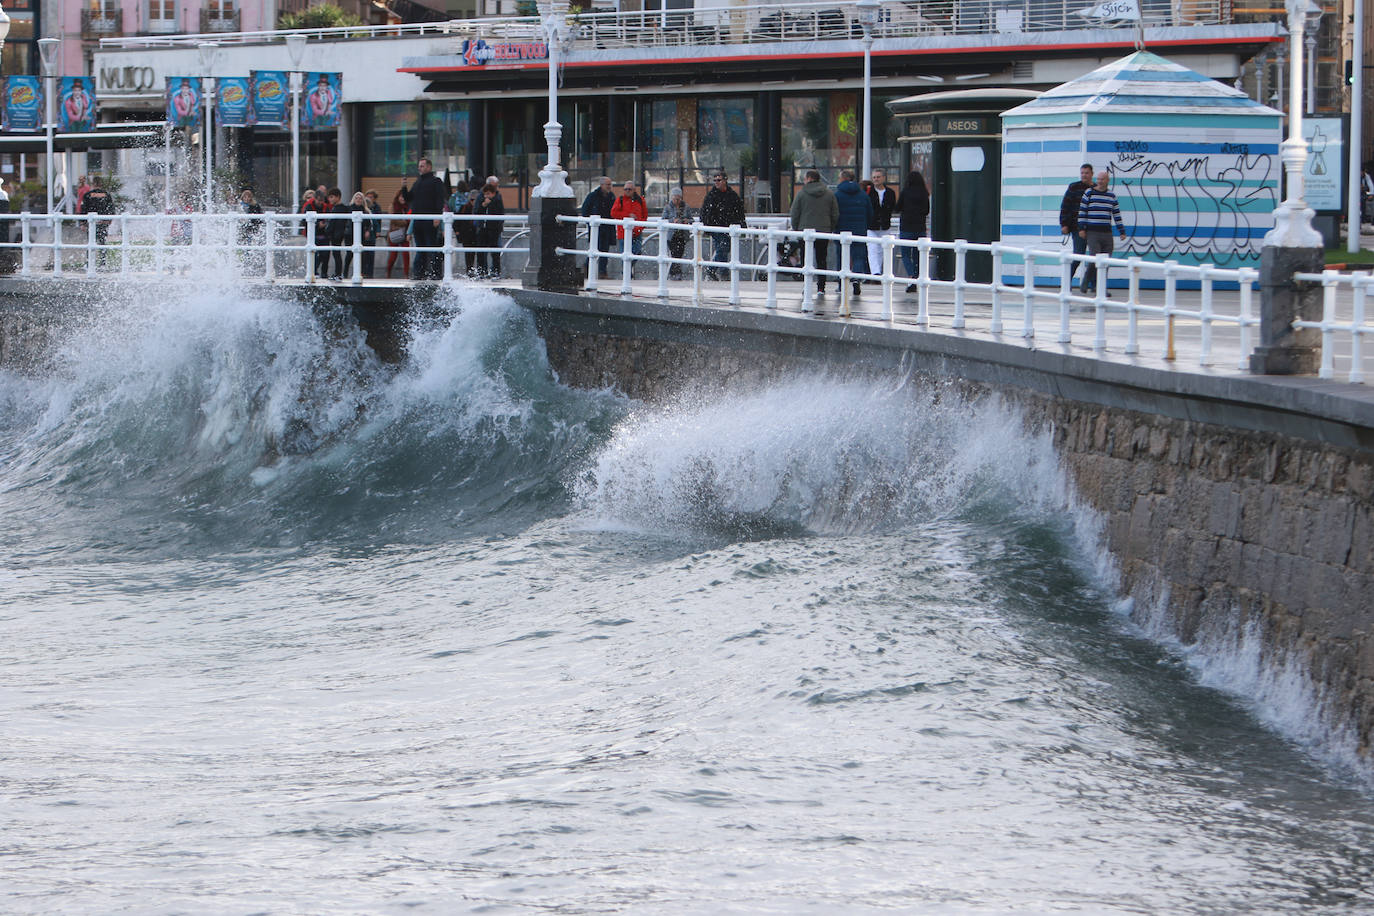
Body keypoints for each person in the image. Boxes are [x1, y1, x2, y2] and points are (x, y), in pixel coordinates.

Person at [788, 169, 839, 294]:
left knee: (806, 261)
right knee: (822, 259)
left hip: (805, 232)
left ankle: (807, 286)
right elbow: (835, 214)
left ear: (809, 179)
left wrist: (797, 228)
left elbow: (794, 214)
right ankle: (821, 287)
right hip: (823, 231)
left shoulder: (801, 194)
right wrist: (829, 228)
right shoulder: (829, 194)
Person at [1077, 169, 1127, 297]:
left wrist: (1121, 231)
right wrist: (1081, 228)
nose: (1099, 181)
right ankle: (1086, 281)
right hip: (1092, 232)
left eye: (1102, 179)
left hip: (1106, 232)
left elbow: (1116, 214)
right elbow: (1082, 211)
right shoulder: (1089, 193)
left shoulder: (1111, 196)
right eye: (1098, 179)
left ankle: (1101, 288)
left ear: (1107, 181)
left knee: (1106, 261)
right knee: (1094, 258)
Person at [403, 156, 447, 280]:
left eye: (422, 166)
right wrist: (404, 187)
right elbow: (408, 198)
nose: (419, 168)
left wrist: (437, 216)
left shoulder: (436, 181)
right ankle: (419, 273)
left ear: (429, 167)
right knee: (420, 248)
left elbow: (439, 199)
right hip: (418, 220)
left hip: (429, 219)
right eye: (419, 166)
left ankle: (436, 273)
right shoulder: (418, 182)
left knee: (432, 247)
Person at [834, 169, 872, 296]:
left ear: (843, 179)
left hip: (841, 230)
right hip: (859, 230)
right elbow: (870, 214)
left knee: (841, 257)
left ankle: (841, 284)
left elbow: (834, 213)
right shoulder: (863, 195)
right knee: (858, 257)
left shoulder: (837, 195)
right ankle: (856, 278)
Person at [700, 171, 744, 280]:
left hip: (727, 227)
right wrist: (706, 225)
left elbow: (739, 211)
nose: (716, 182)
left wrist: (742, 224)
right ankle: (715, 270)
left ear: (725, 180)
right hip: (716, 227)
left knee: (722, 249)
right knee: (724, 246)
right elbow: (705, 211)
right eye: (715, 180)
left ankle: (722, 273)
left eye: (718, 180)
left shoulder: (732, 195)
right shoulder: (711, 196)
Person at [1059, 163, 1094, 291]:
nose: (1084, 175)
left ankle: (1093, 285)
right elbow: (1065, 206)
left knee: (1095, 258)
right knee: (1078, 255)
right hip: (1076, 227)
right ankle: (1066, 283)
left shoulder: (1095, 188)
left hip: (1093, 228)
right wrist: (1064, 224)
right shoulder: (1074, 187)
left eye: (1087, 173)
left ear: (1092, 174)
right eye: (1082, 173)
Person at [897, 170, 930, 292]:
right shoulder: (924, 193)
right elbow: (926, 210)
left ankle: (911, 276)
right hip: (920, 227)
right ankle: (916, 276)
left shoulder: (905, 192)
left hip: (906, 226)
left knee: (905, 254)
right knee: (917, 255)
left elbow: (898, 207)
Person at [580, 176, 616, 279]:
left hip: (607, 227)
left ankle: (602, 272)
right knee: (595, 247)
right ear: (602, 185)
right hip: (597, 227)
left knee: (605, 250)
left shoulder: (611, 196)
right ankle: (587, 267)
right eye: (607, 184)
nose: (609, 187)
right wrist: (591, 222)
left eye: (610, 184)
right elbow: (585, 210)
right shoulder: (593, 196)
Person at [609, 179, 648, 271]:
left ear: (634, 190)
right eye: (625, 189)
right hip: (623, 232)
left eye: (629, 189)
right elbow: (613, 213)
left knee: (637, 251)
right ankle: (626, 272)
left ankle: (627, 269)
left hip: (637, 232)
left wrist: (639, 228)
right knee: (625, 253)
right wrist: (627, 215)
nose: (627, 191)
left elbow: (644, 216)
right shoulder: (620, 200)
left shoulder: (640, 200)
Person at [866, 168, 897, 280]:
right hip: (871, 225)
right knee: (873, 249)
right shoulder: (869, 192)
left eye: (878, 177)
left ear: (884, 178)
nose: (876, 179)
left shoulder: (890, 193)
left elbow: (893, 207)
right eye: (874, 177)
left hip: (885, 225)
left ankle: (882, 271)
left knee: (884, 250)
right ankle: (875, 273)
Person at [80, 176, 115, 270]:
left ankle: (88, 263)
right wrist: (109, 219)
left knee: (90, 243)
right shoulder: (107, 195)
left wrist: (82, 223)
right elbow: (111, 208)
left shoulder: (87, 195)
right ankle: (103, 263)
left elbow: (83, 209)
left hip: (91, 223)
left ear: (93, 184)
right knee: (102, 242)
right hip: (103, 222)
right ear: (101, 184)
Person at [661, 187, 695, 280]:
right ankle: (676, 273)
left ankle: (674, 272)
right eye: (675, 198)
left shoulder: (686, 207)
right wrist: (672, 221)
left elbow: (692, 219)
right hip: (671, 236)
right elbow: (663, 219)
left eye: (678, 198)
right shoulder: (668, 207)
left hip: (682, 235)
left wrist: (686, 220)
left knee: (679, 254)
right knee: (675, 253)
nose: (677, 201)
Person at [474, 183, 505, 278]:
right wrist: (483, 205)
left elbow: (500, 213)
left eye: (488, 194)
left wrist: (490, 204)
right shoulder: (480, 199)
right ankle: (481, 271)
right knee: (481, 251)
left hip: (494, 229)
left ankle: (495, 271)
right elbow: (476, 211)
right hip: (482, 228)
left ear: (493, 193)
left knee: (494, 251)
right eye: (485, 194)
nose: (486, 196)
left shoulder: (498, 200)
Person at [385, 188, 411, 279]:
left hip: (406, 234)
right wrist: (404, 222)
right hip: (395, 233)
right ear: (398, 197)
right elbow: (393, 220)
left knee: (406, 254)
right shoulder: (393, 206)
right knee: (393, 255)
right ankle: (388, 273)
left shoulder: (409, 207)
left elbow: (410, 220)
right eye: (401, 196)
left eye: (404, 197)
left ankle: (406, 275)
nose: (402, 198)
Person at [362, 190, 382, 278]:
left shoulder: (375, 209)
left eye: (371, 197)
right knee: (363, 255)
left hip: (372, 235)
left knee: (370, 255)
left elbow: (376, 222)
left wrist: (377, 231)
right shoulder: (361, 209)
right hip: (363, 236)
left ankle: (369, 274)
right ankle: (363, 272)